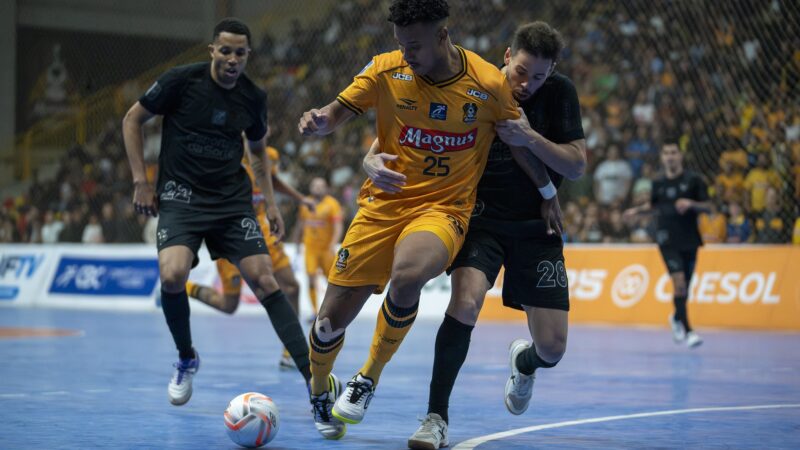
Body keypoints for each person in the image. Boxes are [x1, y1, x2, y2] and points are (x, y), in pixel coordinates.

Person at [296, 0, 520, 439]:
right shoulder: (386, 68)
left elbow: (521, 139)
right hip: (381, 207)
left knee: (407, 275)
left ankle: (366, 378)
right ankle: (321, 389)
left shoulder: (488, 84)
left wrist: (549, 193)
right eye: (400, 44)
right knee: (327, 325)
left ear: (442, 36)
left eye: (414, 45)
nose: (406, 54)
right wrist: (321, 121)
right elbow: (336, 111)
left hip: (443, 210)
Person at [365, 21, 587, 449]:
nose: (527, 84)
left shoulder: (560, 94)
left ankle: (525, 361)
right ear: (507, 56)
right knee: (465, 302)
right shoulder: (478, 82)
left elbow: (576, 165)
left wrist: (530, 136)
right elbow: (406, 125)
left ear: (552, 71)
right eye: (521, 71)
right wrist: (370, 159)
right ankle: (435, 418)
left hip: (536, 227)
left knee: (553, 348)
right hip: (478, 218)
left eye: (539, 76)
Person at [122, 18, 316, 406]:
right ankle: (186, 357)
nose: (231, 59)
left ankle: (313, 377)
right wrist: (141, 181)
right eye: (224, 50)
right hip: (180, 197)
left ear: (248, 56)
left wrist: (273, 205)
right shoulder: (181, 81)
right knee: (172, 273)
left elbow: (259, 151)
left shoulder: (252, 97)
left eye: (239, 53)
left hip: (231, 203)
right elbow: (132, 120)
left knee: (266, 281)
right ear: (212, 50)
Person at [183, 137, 316, 370]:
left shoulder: (269, 155)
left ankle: (289, 352)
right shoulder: (223, 152)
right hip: (231, 233)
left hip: (263, 231)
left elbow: (272, 180)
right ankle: (184, 288)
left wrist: (300, 198)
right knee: (228, 305)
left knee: (292, 287)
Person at [624, 142, 711, 349]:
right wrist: (636, 212)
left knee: (685, 288)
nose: (670, 157)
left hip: (689, 238)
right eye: (666, 153)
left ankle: (676, 317)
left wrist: (691, 204)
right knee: (679, 283)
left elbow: (709, 206)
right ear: (662, 158)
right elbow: (654, 206)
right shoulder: (658, 183)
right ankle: (689, 331)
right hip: (666, 239)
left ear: (680, 156)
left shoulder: (694, 181)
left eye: (673, 153)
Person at [290, 177, 344, 322]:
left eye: (321, 185)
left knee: (332, 281)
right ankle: (315, 312)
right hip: (310, 248)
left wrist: (333, 244)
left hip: (326, 249)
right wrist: (296, 241)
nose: (317, 188)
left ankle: (334, 311)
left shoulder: (332, 204)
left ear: (326, 188)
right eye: (315, 185)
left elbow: (338, 226)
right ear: (310, 187)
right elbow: (300, 223)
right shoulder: (305, 203)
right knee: (311, 278)